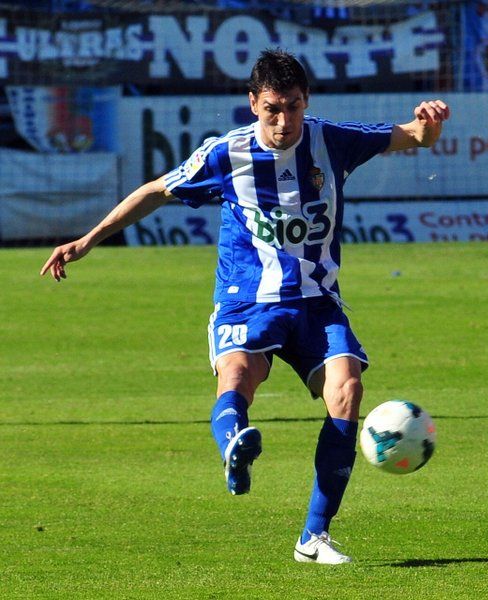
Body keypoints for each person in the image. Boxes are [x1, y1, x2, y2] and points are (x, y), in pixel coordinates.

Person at [40, 49, 450, 565]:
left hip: (317, 302)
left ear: (307, 102)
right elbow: (155, 192)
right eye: (273, 109)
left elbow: (414, 136)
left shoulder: (333, 140)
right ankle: (235, 444)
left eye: (294, 107)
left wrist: (429, 123)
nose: (284, 121)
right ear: (253, 103)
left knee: (346, 391)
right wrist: (87, 240)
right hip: (246, 301)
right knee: (237, 378)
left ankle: (313, 538)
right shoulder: (225, 154)